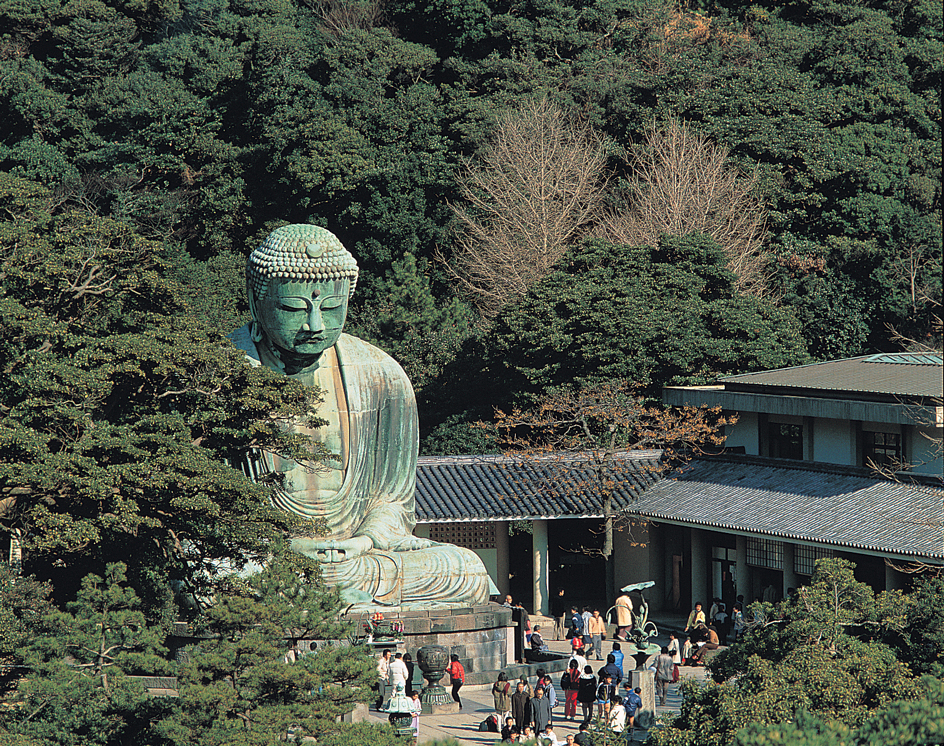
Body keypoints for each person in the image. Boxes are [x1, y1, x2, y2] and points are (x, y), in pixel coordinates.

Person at [231, 224, 494, 608]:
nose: (315, 325)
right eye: (293, 309)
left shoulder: (380, 375)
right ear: (257, 301)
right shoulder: (220, 377)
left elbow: (393, 503)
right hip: (266, 558)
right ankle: (331, 593)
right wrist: (282, 545)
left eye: (332, 308)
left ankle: (320, 594)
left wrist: (364, 540)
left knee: (465, 571)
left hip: (358, 557)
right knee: (208, 575)